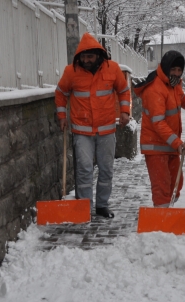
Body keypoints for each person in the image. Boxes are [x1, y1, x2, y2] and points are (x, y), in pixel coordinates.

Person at [55, 33, 131, 218]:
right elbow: (60, 93)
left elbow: (123, 91)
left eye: (90, 56)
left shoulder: (112, 69)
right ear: (78, 57)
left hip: (106, 130)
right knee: (85, 169)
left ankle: (102, 205)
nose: (86, 60)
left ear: (98, 55)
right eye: (83, 57)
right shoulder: (70, 72)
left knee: (106, 169)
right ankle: (84, 208)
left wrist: (125, 112)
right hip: (82, 131)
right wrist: (62, 116)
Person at [134, 50, 185, 207]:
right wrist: (177, 143)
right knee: (162, 186)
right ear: (165, 68)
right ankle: (161, 222)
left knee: (176, 183)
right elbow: (158, 123)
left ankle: (168, 212)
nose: (176, 73)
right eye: (173, 69)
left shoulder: (173, 84)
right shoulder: (155, 89)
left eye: (179, 70)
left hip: (170, 145)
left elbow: (181, 97)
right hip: (156, 147)